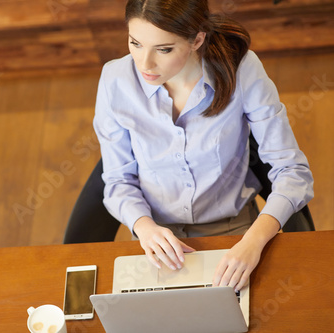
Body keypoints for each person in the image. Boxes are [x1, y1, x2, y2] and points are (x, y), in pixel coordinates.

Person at [93, 0, 314, 292]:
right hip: (157, 234)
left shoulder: (242, 70)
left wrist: (254, 240)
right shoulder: (115, 80)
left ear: (197, 39)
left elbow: (292, 172)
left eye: (164, 49)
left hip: (235, 229)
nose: (144, 63)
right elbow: (118, 179)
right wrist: (144, 228)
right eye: (135, 43)